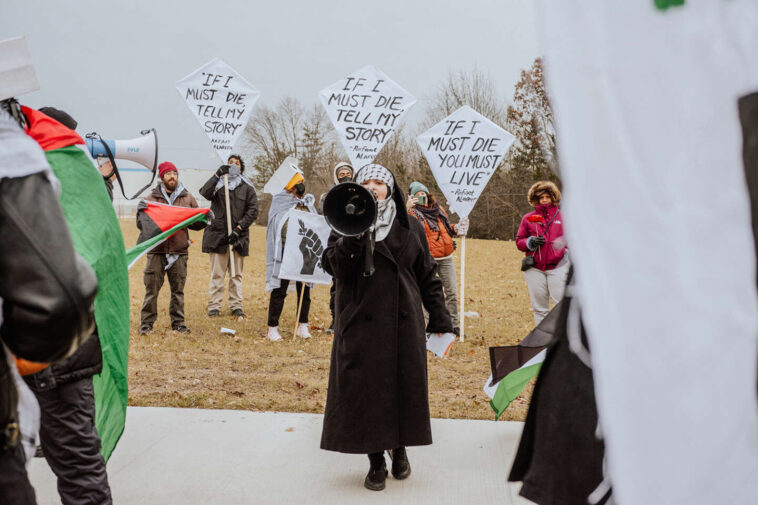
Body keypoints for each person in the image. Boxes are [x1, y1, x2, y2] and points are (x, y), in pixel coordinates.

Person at [320, 164, 453, 491]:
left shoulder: (411, 226)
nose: (373, 186)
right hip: (361, 323)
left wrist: (440, 317)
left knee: (401, 388)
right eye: (366, 181)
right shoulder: (345, 221)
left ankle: (400, 448)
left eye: (379, 181)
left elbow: (427, 275)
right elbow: (334, 267)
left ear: (390, 187)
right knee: (367, 393)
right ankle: (376, 459)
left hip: (403, 322)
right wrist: (354, 233)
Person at [21, 105, 128, 505]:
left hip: (59, 353)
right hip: (65, 343)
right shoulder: (70, 172)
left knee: (75, 463)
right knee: (79, 465)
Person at [0, 102, 97, 505]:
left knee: (76, 463)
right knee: (78, 466)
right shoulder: (25, 164)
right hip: (52, 352)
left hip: (58, 365)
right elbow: (63, 289)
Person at [139, 161, 206, 334]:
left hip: (179, 251)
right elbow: (143, 226)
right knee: (151, 290)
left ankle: (179, 323)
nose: (172, 176)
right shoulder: (151, 199)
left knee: (178, 291)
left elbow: (196, 224)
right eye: (168, 173)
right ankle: (146, 324)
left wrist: (204, 218)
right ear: (162, 177)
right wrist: (141, 213)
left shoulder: (187, 198)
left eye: (175, 173)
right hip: (157, 251)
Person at [406, 181, 469, 336]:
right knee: (429, 293)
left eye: (423, 194)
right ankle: (429, 326)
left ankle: (453, 325)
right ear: (412, 197)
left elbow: (446, 229)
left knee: (452, 292)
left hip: (446, 257)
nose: (422, 197)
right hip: (428, 259)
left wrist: (457, 228)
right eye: (418, 195)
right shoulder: (412, 213)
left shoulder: (438, 210)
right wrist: (407, 207)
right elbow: (406, 227)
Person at [199, 154, 258, 318]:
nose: (233, 165)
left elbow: (253, 210)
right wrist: (217, 174)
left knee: (236, 275)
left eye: (237, 163)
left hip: (238, 238)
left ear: (241, 168)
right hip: (218, 237)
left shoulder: (247, 188)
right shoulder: (218, 185)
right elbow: (204, 192)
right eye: (230, 163)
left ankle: (236, 305)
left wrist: (239, 228)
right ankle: (214, 306)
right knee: (217, 274)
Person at [265, 171, 318, 341]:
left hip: (303, 252)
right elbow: (276, 223)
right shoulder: (279, 200)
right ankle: (272, 327)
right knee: (279, 289)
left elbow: (314, 222)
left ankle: (303, 324)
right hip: (284, 250)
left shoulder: (307, 201)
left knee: (305, 290)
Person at [516, 181, 569, 325]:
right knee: (539, 308)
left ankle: (561, 341)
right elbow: (519, 241)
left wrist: (566, 254)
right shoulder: (528, 218)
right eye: (541, 197)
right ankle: (541, 343)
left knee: (561, 306)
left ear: (553, 197)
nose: (544, 199)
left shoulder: (563, 217)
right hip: (535, 269)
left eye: (547, 196)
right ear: (536, 199)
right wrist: (530, 242)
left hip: (558, 267)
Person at [318, 161, 354, 333]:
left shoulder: (359, 192)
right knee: (337, 285)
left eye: (348, 173)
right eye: (341, 174)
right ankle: (336, 319)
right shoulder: (329, 195)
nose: (345, 176)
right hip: (338, 243)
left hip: (356, 241)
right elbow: (322, 212)